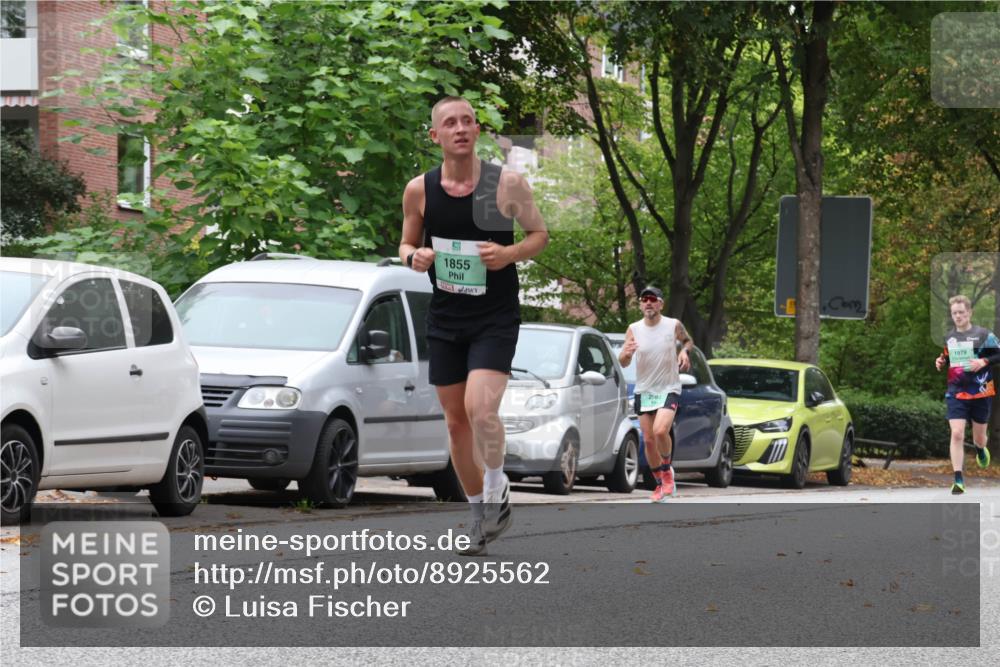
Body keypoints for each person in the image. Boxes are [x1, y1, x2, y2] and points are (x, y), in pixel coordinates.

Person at [399, 96, 548, 554]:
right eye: (450, 123)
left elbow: (539, 236)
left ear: (477, 130)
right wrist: (415, 257)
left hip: (494, 318)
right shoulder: (420, 190)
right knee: (456, 423)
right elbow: (405, 244)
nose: (460, 128)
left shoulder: (505, 184)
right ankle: (480, 516)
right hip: (446, 319)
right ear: (435, 136)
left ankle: (498, 485)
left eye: (467, 121)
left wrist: (507, 255)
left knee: (481, 410)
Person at [618, 286, 693, 502]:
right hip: (645, 389)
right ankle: (660, 484)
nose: (648, 303)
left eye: (653, 299)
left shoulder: (673, 325)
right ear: (640, 305)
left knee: (661, 431)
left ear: (661, 304)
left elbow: (688, 341)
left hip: (668, 388)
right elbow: (624, 363)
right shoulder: (633, 329)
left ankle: (667, 472)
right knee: (649, 441)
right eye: (644, 299)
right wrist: (625, 354)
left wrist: (684, 351)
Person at [934, 295, 998, 494]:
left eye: (962, 312)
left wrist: (983, 362)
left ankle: (979, 448)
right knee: (957, 433)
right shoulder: (950, 337)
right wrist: (940, 361)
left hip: (980, 391)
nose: (958, 316)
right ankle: (958, 479)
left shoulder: (983, 334)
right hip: (956, 391)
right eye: (955, 313)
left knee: (979, 438)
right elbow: (947, 355)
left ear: (969, 313)